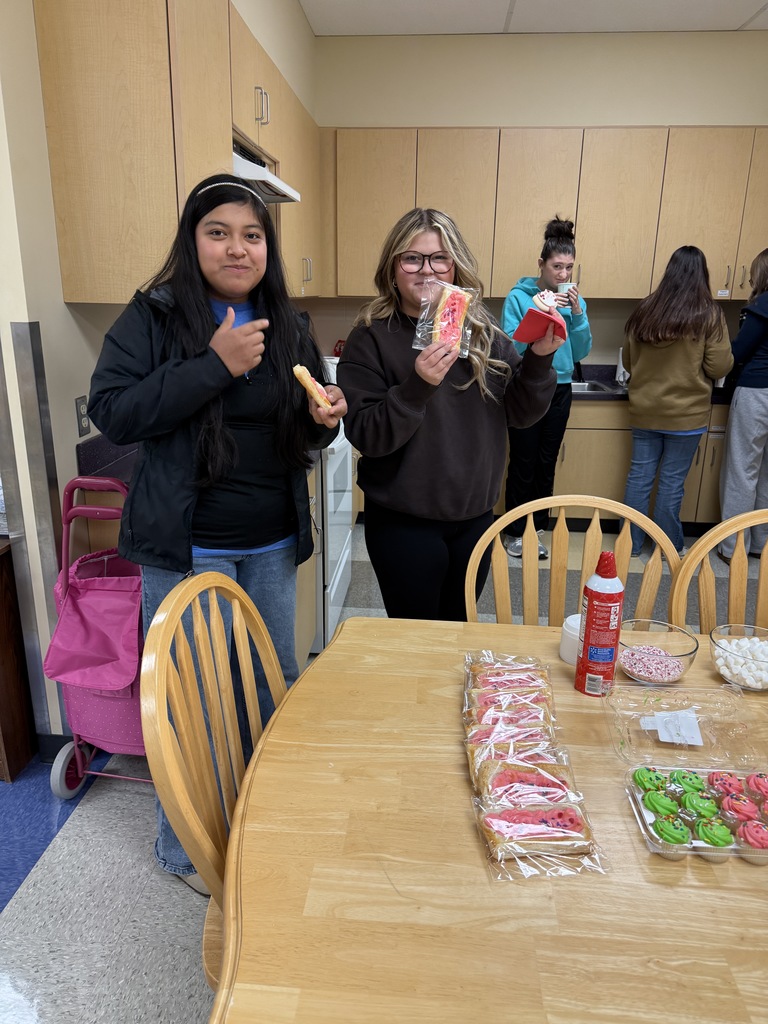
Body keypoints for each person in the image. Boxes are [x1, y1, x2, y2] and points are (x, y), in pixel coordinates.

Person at [88, 173, 346, 892]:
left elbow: (302, 433)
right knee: (192, 697)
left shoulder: (285, 321)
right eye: (219, 232)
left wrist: (326, 421)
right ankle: (184, 849)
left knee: (273, 682)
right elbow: (113, 411)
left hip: (269, 538)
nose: (238, 248)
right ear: (192, 239)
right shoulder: (157, 314)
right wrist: (213, 366)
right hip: (187, 542)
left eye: (253, 235)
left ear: (269, 247)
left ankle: (267, 823)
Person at [337, 207, 562, 621]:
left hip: (475, 518)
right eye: (412, 258)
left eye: (439, 257)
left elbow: (520, 412)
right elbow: (367, 435)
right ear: (393, 267)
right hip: (403, 522)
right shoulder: (370, 337)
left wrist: (539, 360)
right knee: (417, 641)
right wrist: (417, 385)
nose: (427, 270)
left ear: (455, 265)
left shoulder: (482, 330)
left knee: (457, 630)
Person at [621, 245, 733, 557]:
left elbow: (629, 362)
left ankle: (628, 544)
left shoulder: (644, 310)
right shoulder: (709, 315)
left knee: (639, 479)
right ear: (703, 275)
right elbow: (719, 367)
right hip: (686, 416)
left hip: (645, 412)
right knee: (671, 483)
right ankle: (669, 546)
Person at [500, 217, 593, 559]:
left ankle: (535, 530)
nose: (563, 274)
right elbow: (511, 349)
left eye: (569, 267)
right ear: (541, 264)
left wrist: (578, 315)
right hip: (526, 387)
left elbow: (581, 350)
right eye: (557, 266)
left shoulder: (572, 302)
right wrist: (538, 314)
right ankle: (513, 532)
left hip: (561, 388)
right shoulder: (519, 297)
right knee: (523, 461)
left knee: (546, 462)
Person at [718, 248, 768, 562]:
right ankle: (760, 544)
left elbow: (737, 352)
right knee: (766, 474)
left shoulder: (760, 307)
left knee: (742, 470)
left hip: (757, 392)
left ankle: (732, 546)